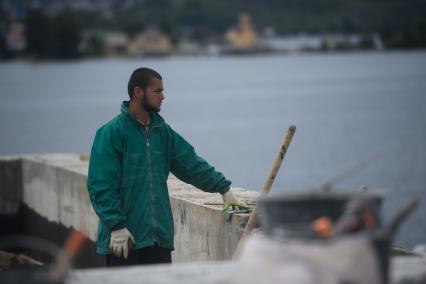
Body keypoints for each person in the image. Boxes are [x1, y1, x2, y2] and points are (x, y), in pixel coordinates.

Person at [87, 67, 247, 266]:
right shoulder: (111, 133)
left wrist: (223, 188)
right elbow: (100, 185)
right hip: (124, 240)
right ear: (138, 92)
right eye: (157, 91)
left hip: (158, 240)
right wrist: (116, 226)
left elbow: (191, 163)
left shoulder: (162, 132)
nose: (163, 97)